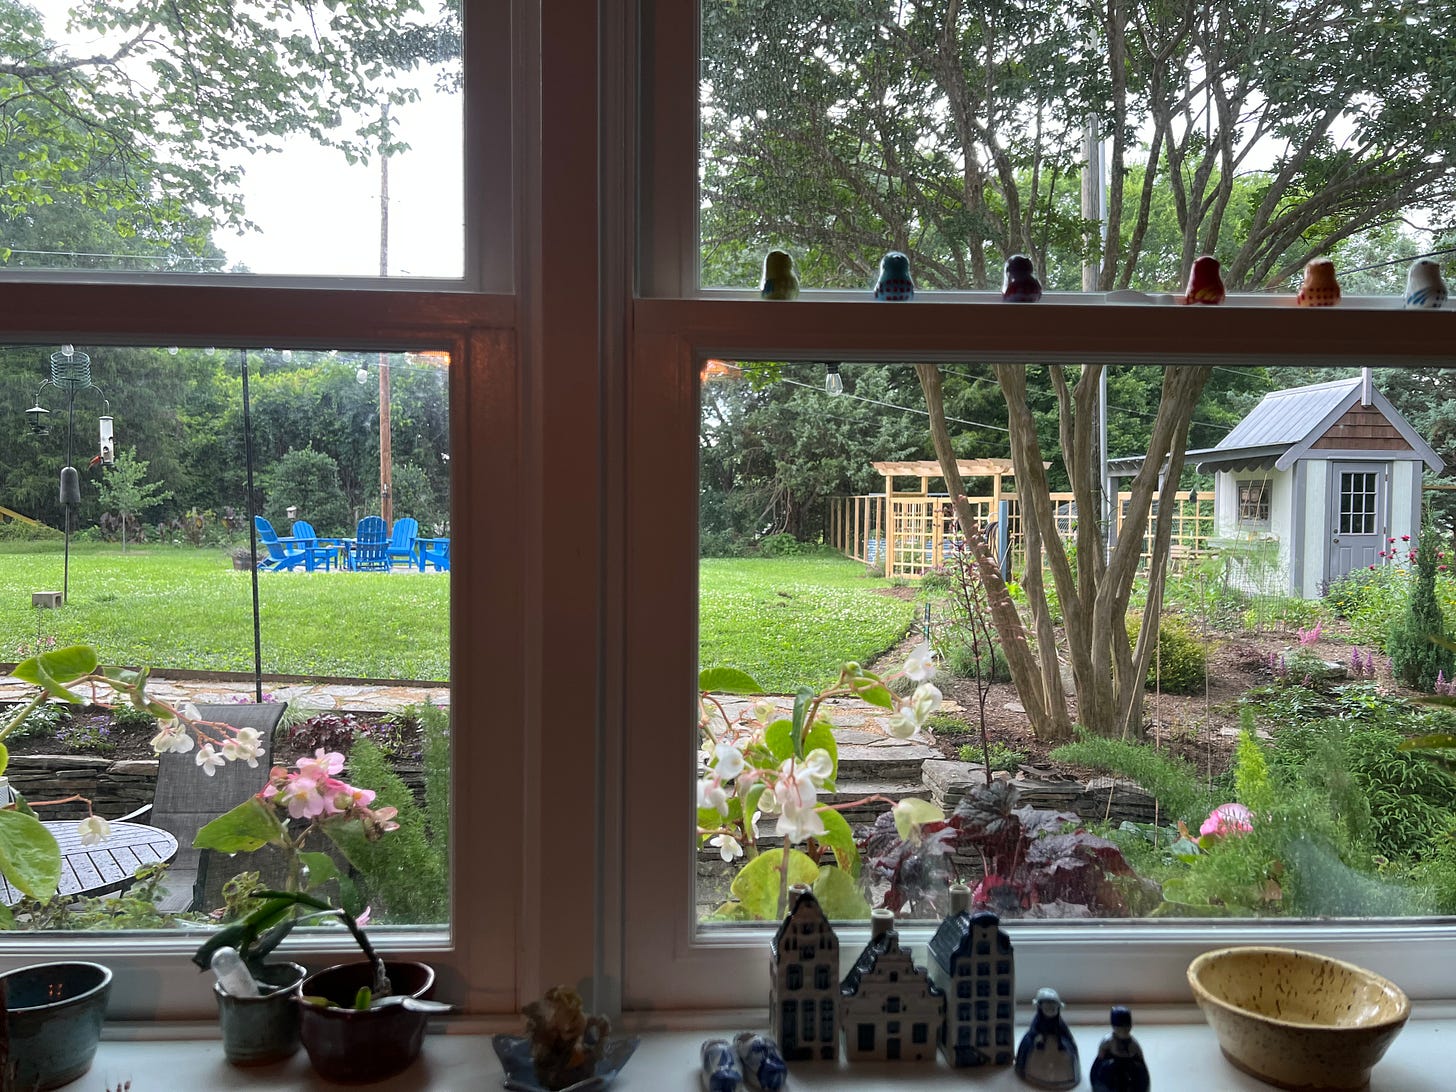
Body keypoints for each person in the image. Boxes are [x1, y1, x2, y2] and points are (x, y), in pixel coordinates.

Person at [1015, 986, 1080, 1089]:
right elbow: (1033, 1031)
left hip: (1059, 1047)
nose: (1051, 1010)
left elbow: (1066, 1034)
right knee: (1027, 1046)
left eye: (1053, 1008)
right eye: (1047, 1007)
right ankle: (1022, 1068)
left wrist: (1066, 1044)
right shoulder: (1037, 1022)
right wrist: (1037, 1037)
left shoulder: (1060, 1024)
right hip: (1039, 1046)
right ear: (1040, 1007)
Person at [1090, 1006, 1150, 1092]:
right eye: (1120, 1028)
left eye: (1126, 1027)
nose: (1123, 1030)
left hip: (1130, 1073)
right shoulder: (1107, 1042)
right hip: (1111, 1074)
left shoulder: (1134, 1045)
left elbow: (1142, 1066)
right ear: (1114, 1027)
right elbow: (1098, 1064)